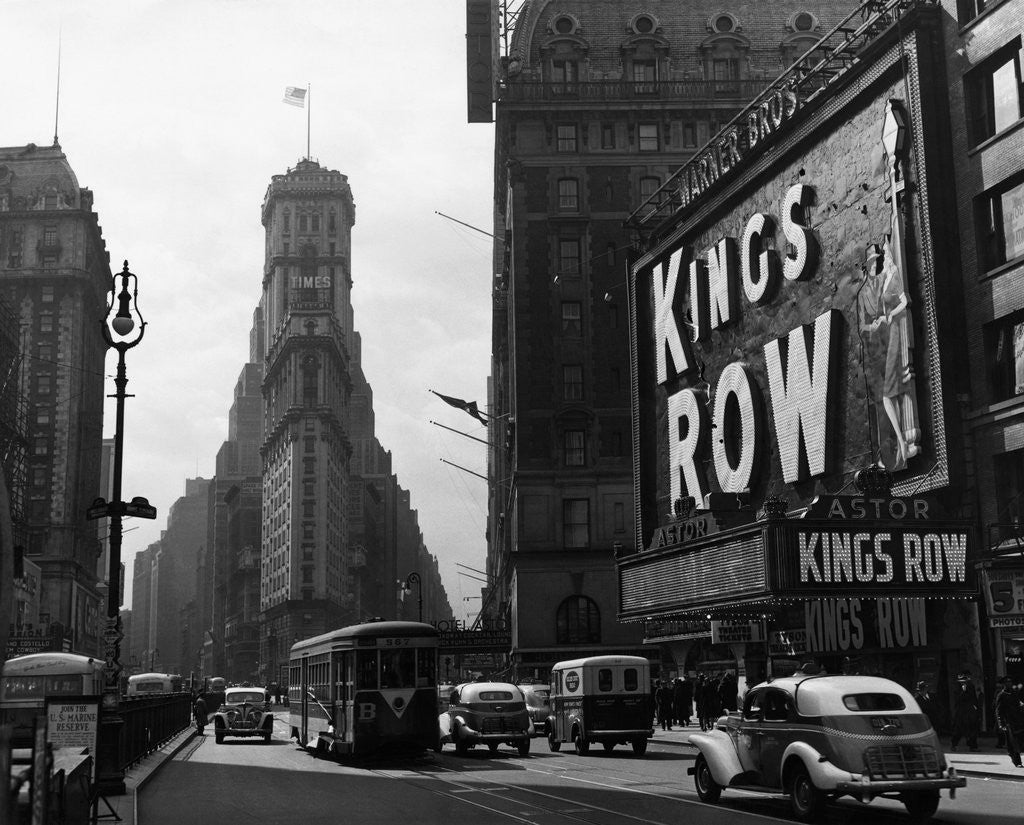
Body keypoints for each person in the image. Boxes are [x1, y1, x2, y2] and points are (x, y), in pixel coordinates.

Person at [995, 677, 1024, 768]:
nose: (1009, 684)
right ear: (1004, 684)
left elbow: (1018, 705)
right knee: (1012, 742)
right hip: (1008, 722)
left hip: (1018, 721)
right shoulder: (1001, 695)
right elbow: (998, 711)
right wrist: (1001, 724)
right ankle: (1017, 761)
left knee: (1019, 740)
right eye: (1007, 682)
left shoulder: (1014, 693)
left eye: (1010, 682)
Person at [950, 671, 980, 752]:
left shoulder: (971, 686)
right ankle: (954, 744)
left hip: (970, 711)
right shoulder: (957, 688)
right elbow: (958, 699)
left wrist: (976, 708)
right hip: (961, 711)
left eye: (965, 681)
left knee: (972, 728)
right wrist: (963, 691)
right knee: (958, 729)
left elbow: (974, 698)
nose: (964, 682)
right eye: (962, 681)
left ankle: (973, 746)